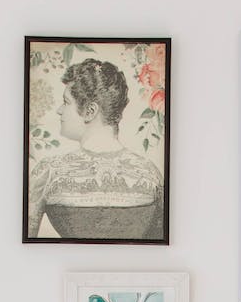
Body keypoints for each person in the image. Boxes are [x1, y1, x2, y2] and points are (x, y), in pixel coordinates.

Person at [25, 58, 164, 241]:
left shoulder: (49, 172)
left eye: (66, 102)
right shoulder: (150, 172)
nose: (59, 110)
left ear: (90, 111)